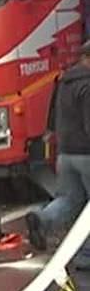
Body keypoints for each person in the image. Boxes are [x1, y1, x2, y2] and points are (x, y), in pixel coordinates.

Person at [26, 41, 90, 270]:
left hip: (66, 153)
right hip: (86, 153)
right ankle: (86, 253)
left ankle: (43, 219)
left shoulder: (63, 81)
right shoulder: (87, 85)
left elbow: (52, 115)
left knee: (70, 199)